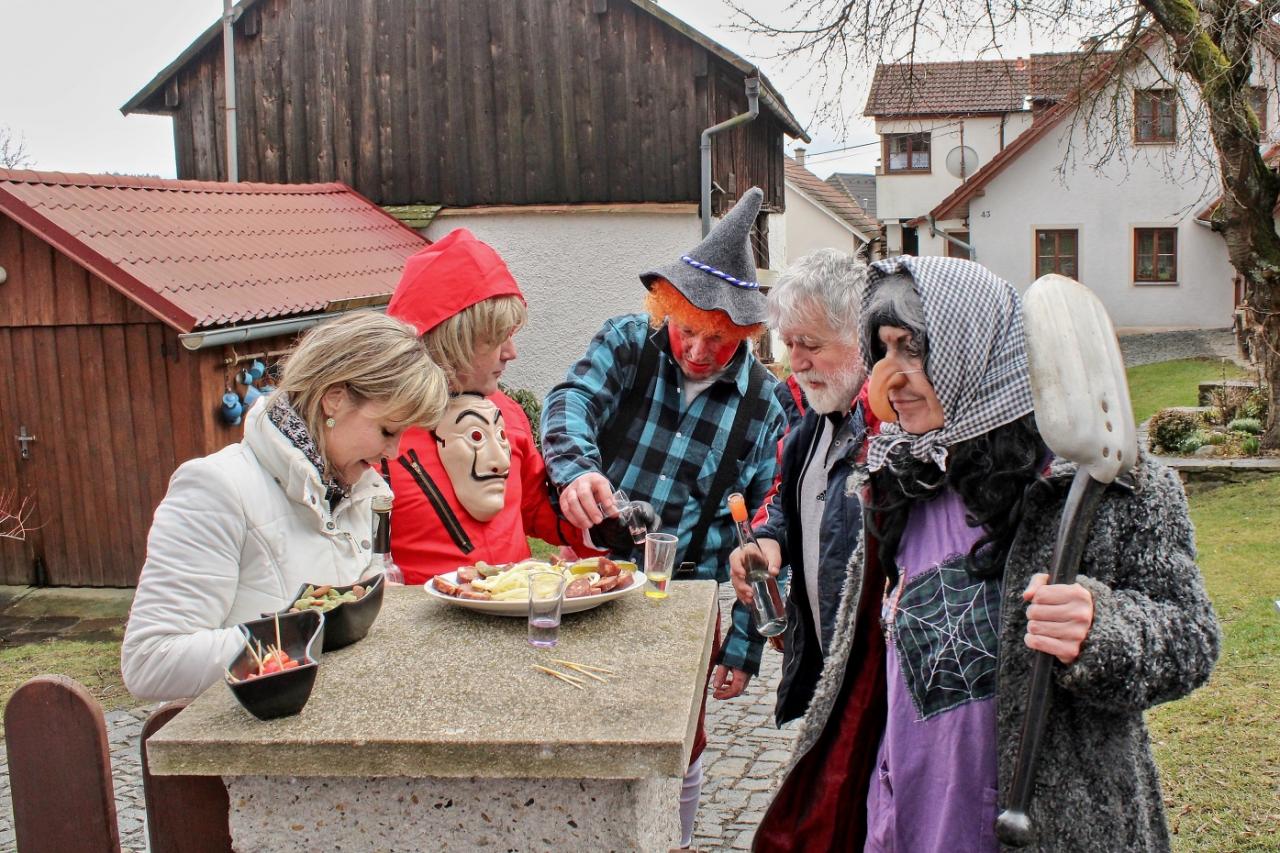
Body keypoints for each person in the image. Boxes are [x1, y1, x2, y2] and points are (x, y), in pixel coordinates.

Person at [753, 256, 1220, 851]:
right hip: (903, 815)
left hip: (1039, 827)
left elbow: (1190, 638)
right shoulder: (900, 480)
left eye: (912, 349)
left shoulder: (1104, 486)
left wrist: (1101, 627)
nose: (889, 379)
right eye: (882, 350)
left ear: (974, 349)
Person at [541, 187, 786, 847]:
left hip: (683, 600)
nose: (699, 351)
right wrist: (576, 470)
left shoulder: (764, 408)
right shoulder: (629, 342)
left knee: (682, 742)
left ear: (745, 334)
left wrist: (743, 646)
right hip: (591, 579)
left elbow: (761, 535)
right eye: (687, 330)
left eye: (719, 339)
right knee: (577, 727)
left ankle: (674, 842)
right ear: (665, 309)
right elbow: (570, 400)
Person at [122, 312, 449, 701]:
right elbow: (150, 662)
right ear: (335, 399)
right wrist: (300, 632)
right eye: (387, 430)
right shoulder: (217, 487)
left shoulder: (353, 490)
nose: (393, 452)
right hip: (245, 733)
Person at [383, 228, 595, 583]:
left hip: (515, 607)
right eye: (497, 339)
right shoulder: (381, 430)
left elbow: (535, 509)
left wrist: (598, 524)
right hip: (426, 615)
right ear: (453, 340)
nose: (511, 353)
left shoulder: (508, 414)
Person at [729, 248, 877, 727]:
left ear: (861, 336)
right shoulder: (811, 421)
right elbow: (786, 500)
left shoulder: (891, 431)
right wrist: (767, 541)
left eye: (810, 344)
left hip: (878, 682)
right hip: (826, 674)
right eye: (789, 343)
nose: (796, 361)